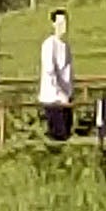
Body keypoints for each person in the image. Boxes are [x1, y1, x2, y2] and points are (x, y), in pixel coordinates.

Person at [38, 8, 74, 141]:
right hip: (52, 98)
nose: (62, 26)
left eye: (64, 23)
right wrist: (60, 93)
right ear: (53, 24)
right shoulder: (49, 44)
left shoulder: (66, 46)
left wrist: (69, 93)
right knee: (58, 134)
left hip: (65, 98)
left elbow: (69, 72)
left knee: (67, 132)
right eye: (59, 23)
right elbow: (50, 70)